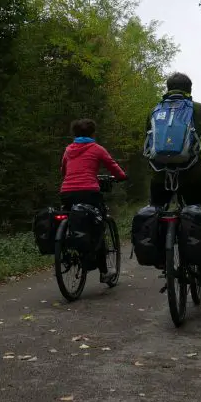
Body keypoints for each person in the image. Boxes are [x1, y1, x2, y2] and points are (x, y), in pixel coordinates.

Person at [147, 72, 201, 286]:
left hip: (160, 176)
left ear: (167, 88)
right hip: (192, 176)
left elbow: (148, 144)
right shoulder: (199, 109)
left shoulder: (155, 111)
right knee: (200, 216)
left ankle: (161, 258)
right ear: (189, 89)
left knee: (156, 212)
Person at [60, 118, 127, 284]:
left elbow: (63, 170)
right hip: (89, 192)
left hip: (67, 192)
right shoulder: (97, 149)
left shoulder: (68, 150)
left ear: (74, 133)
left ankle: (69, 249)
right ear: (92, 133)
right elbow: (113, 166)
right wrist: (121, 177)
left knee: (71, 218)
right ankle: (104, 272)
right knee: (99, 224)